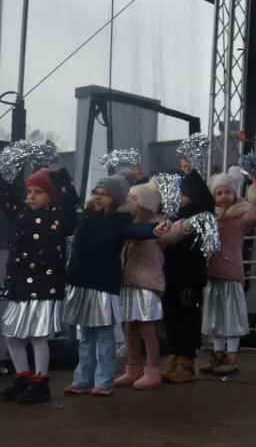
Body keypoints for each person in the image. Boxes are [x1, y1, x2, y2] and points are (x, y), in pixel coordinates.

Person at [63, 175, 169, 396]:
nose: (99, 197)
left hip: (103, 283)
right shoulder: (85, 215)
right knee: (86, 335)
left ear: (117, 199)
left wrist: (154, 230)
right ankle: (82, 379)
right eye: (97, 193)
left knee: (104, 334)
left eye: (105, 194)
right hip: (82, 280)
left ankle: (104, 381)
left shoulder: (120, 220)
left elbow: (135, 231)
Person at [0, 167, 77, 403]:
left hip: (45, 286)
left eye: (38, 192)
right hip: (19, 286)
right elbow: (6, 196)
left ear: (51, 196)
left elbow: (69, 201)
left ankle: (40, 381)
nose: (31, 196)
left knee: (37, 336)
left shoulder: (59, 217)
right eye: (29, 192)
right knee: (11, 334)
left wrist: (59, 176)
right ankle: (23, 375)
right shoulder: (21, 214)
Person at [113, 181, 190, 390]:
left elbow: (173, 233)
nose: (129, 201)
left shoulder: (158, 222)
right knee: (130, 329)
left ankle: (152, 370)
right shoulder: (126, 223)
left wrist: (188, 223)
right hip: (128, 284)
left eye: (134, 198)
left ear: (146, 203)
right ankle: (133, 369)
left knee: (147, 330)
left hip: (147, 284)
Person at [200, 166, 256, 375]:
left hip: (230, 272)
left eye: (228, 192)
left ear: (235, 193)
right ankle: (218, 356)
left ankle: (232, 356)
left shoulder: (239, 217)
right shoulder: (210, 217)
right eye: (219, 193)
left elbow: (255, 216)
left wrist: (255, 192)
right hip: (212, 274)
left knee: (232, 316)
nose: (223, 196)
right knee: (215, 316)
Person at [161, 168, 216, 383]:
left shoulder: (201, 216)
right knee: (172, 318)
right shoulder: (172, 216)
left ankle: (186, 362)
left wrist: (190, 171)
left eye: (182, 195)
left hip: (189, 277)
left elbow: (204, 200)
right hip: (172, 275)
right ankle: (175, 359)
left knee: (186, 319)